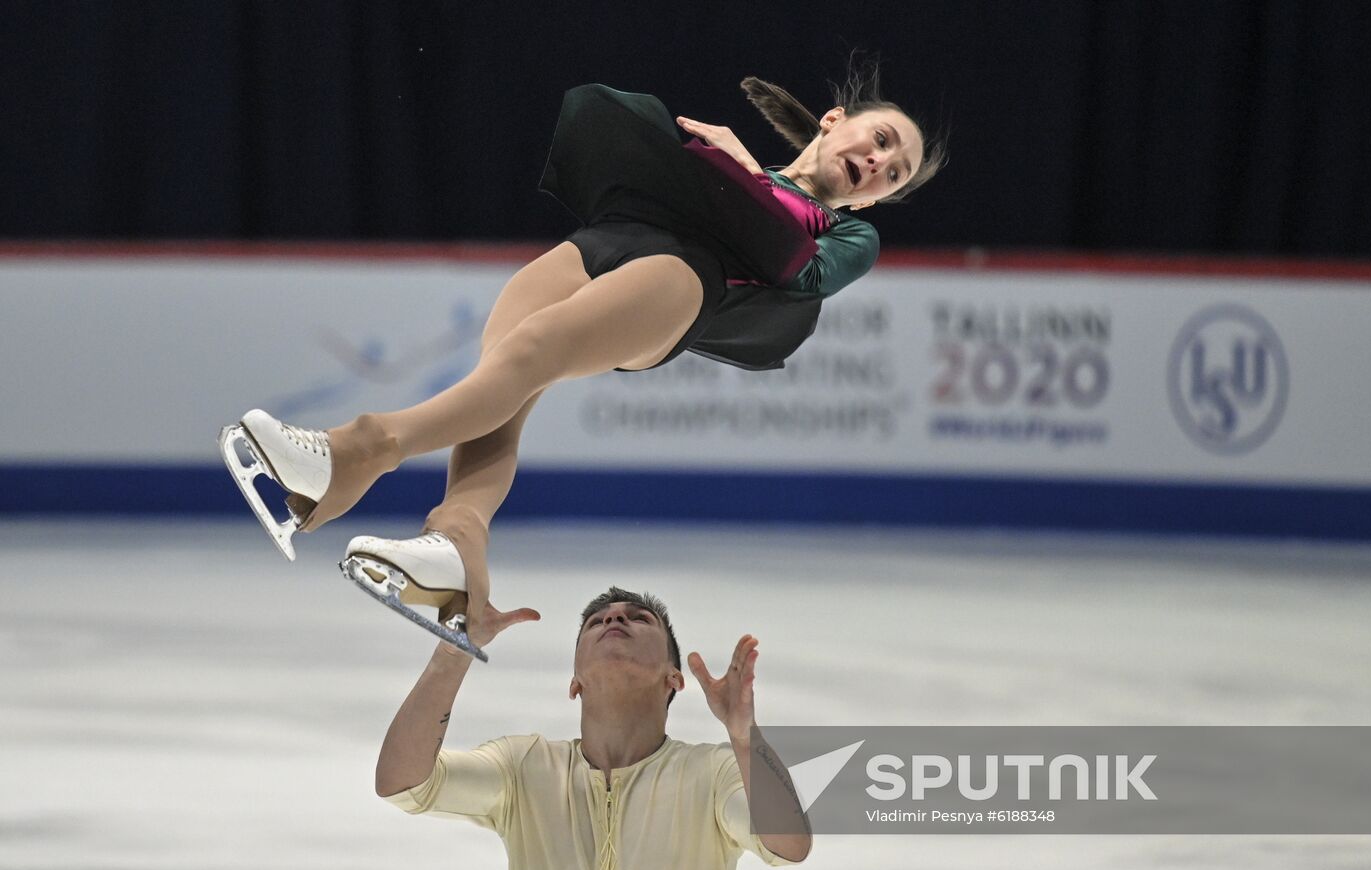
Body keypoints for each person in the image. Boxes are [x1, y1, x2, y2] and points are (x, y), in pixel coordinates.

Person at [219, 61, 945, 653]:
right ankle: (455, 547)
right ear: (834, 121)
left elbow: (795, 271)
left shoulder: (850, 236)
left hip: (685, 282)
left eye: (895, 174)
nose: (880, 163)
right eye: (882, 141)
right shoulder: (738, 158)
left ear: (878, 200)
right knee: (501, 389)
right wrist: (732, 168)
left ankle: (360, 448)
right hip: (608, 242)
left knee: (533, 351)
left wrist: (744, 169)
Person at [377, 586, 811, 870]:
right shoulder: (523, 768)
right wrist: (453, 652)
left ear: (674, 678)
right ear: (575, 683)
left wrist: (744, 738)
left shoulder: (712, 774)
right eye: (597, 622)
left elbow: (790, 846)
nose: (615, 619)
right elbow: (403, 783)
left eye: (639, 618)